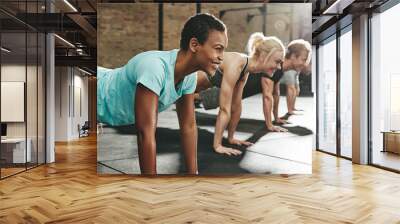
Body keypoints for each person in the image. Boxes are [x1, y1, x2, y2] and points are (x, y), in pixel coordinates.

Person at [97, 13, 228, 175]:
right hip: (93, 91)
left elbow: (188, 127)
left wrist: (193, 175)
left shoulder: (188, 77)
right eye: (218, 49)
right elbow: (145, 133)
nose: (221, 57)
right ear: (194, 45)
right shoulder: (154, 68)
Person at [195, 32, 285, 156]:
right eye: (277, 61)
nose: (279, 67)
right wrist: (218, 145)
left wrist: (231, 138)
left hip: (191, 90)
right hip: (179, 82)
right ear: (264, 56)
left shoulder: (245, 70)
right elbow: (224, 109)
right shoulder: (237, 63)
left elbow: (236, 107)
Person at [260, 39, 312, 132]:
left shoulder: (280, 69)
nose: (304, 64)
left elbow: (275, 94)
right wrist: (269, 125)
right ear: (292, 56)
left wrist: (276, 119)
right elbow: (267, 97)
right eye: (303, 59)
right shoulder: (274, 66)